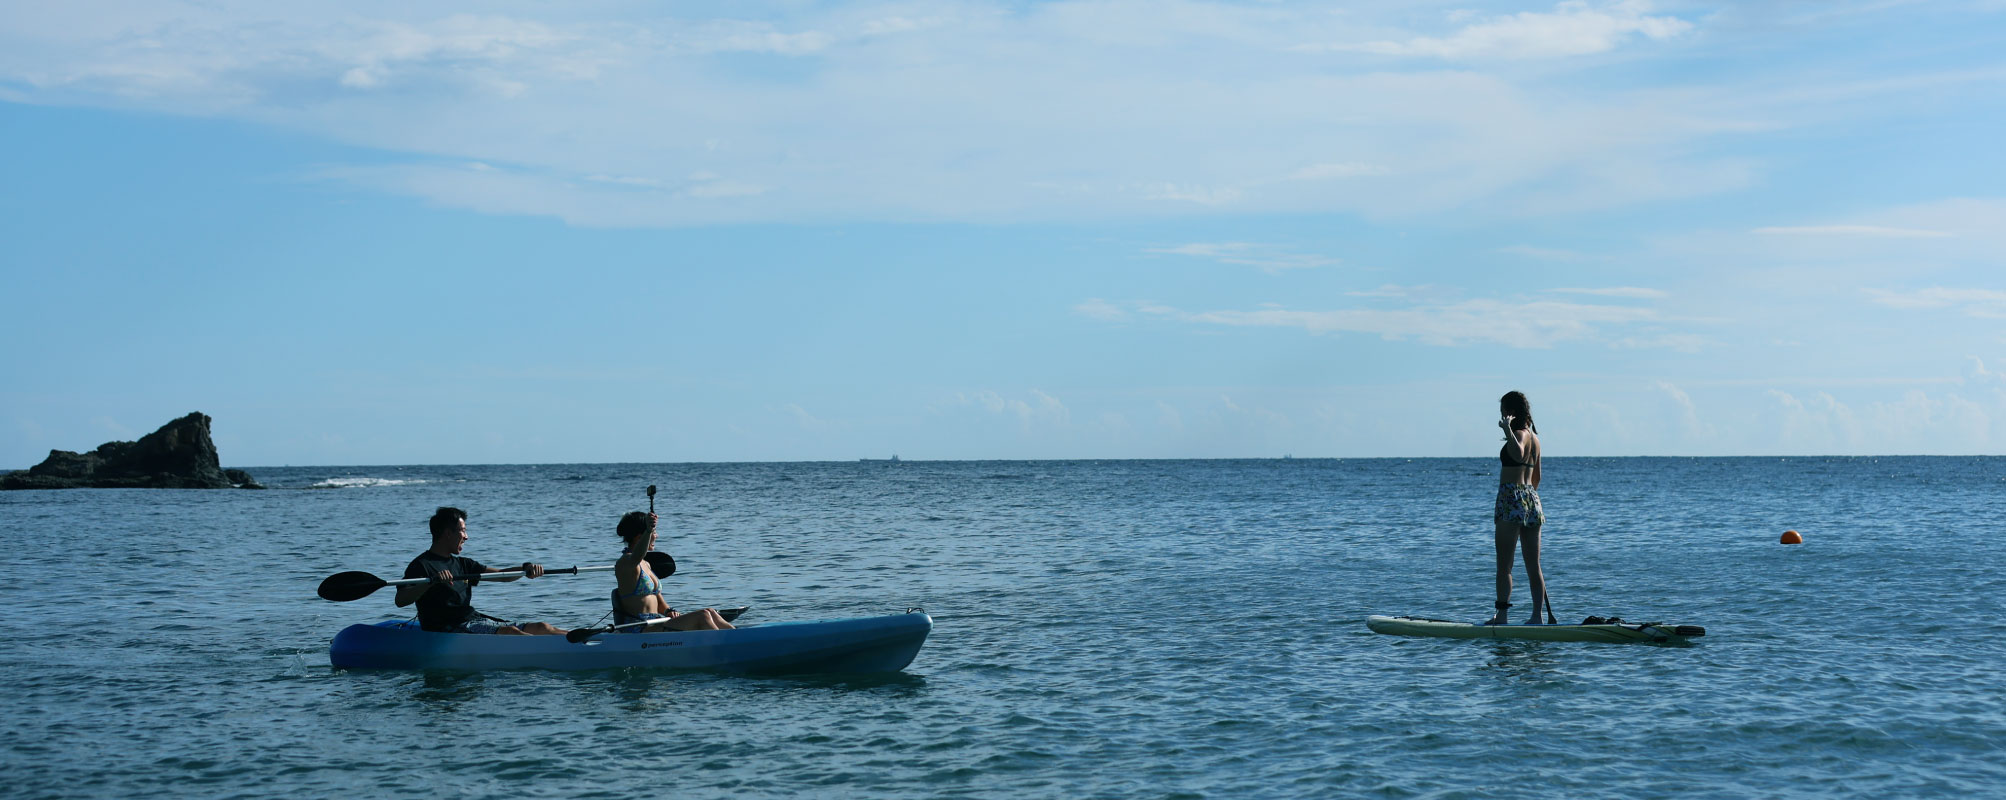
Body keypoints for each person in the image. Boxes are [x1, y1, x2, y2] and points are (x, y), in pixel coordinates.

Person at [395, 507, 566, 635]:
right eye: (463, 530)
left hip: (473, 620)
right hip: (446, 629)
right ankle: (561, 650)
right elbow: (401, 600)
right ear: (448, 533)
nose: (466, 536)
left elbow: (502, 576)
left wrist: (526, 569)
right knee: (510, 632)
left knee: (542, 627)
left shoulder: (463, 564)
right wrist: (431, 582)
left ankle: (586, 639)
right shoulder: (421, 565)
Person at [613, 511, 735, 632]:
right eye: (654, 533)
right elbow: (637, 555)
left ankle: (738, 638)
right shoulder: (625, 562)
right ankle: (727, 646)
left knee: (710, 612)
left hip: (656, 623)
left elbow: (659, 601)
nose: (656, 536)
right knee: (703, 616)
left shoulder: (646, 564)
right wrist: (649, 530)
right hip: (640, 629)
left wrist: (668, 611)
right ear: (639, 537)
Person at [1489, 391, 1547, 625]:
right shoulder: (1536, 438)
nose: (1501, 414)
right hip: (1531, 498)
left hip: (1511, 497)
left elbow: (1519, 452)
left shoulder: (1521, 435)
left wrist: (1506, 430)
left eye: (1503, 410)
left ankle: (1501, 616)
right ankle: (1537, 616)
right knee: (1533, 566)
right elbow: (1537, 478)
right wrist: (1527, 497)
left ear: (1510, 412)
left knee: (1505, 565)